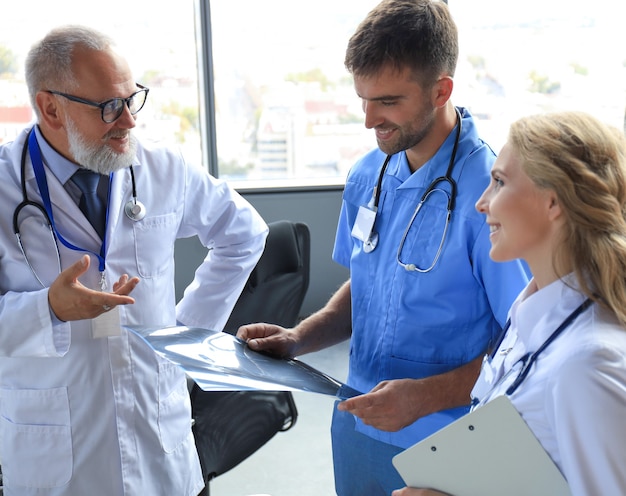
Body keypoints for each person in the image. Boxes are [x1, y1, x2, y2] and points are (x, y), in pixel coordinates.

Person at [236, 1, 529, 494]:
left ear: (441, 91)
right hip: (357, 422)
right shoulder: (369, 172)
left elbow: (523, 348)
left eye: (388, 101)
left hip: (449, 437)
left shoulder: (493, 193)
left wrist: (424, 397)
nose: (370, 119)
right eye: (364, 99)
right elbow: (366, 283)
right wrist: (300, 337)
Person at [0, 25, 268, 496]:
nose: (128, 121)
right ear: (50, 108)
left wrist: (186, 336)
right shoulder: (5, 186)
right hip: (55, 454)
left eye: (131, 99)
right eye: (108, 107)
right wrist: (47, 310)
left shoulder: (162, 166)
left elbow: (243, 234)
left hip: (160, 443)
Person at [392, 111, 626, 496]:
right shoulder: (529, 318)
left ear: (554, 201)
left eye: (499, 183)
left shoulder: (585, 364)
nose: (482, 204)